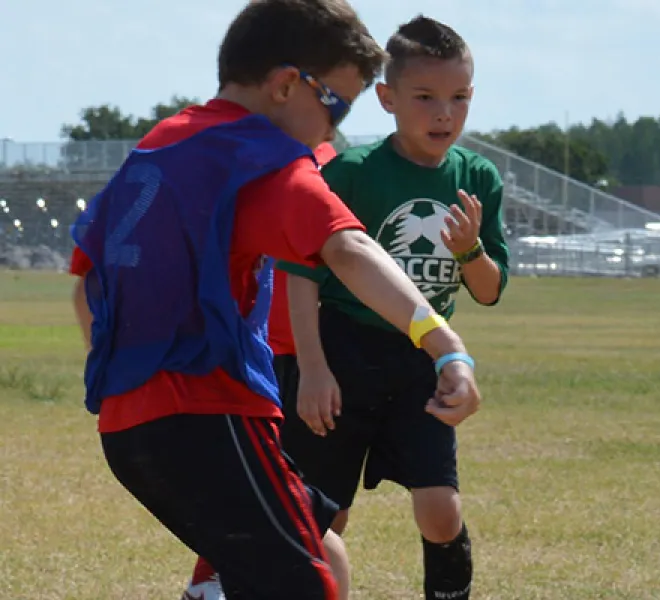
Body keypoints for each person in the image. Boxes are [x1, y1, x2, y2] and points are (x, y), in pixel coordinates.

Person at [67, 2, 483, 598]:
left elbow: (87, 282)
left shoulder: (162, 143)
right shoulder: (261, 160)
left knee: (321, 550)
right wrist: (445, 344)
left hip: (130, 424)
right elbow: (349, 252)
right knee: (302, 584)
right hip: (210, 414)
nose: (332, 130)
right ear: (288, 85)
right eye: (335, 105)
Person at [276, 15, 508, 600]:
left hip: (420, 364)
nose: (443, 114)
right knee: (325, 518)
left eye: (458, 98)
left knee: (440, 509)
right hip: (342, 353)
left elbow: (488, 289)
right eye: (425, 97)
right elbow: (300, 274)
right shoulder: (350, 173)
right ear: (386, 98)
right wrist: (313, 369)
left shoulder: (477, 178)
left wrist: (470, 249)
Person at [180, 141, 339, 600]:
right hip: (259, 362)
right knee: (281, 506)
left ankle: (211, 582)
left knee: (305, 507)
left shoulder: (326, 167)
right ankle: (210, 583)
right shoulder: (239, 159)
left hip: (310, 361)